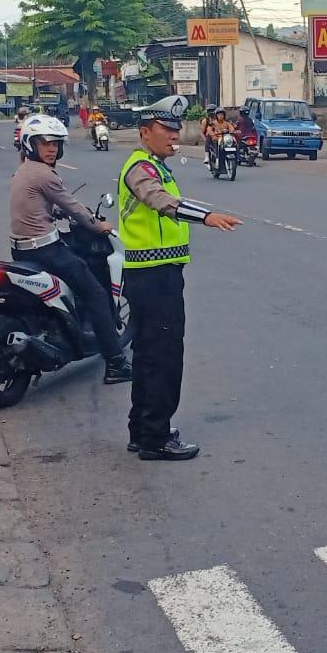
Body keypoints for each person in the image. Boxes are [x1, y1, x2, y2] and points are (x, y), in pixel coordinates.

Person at [119, 103, 241, 460]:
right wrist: (207, 217)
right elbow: (161, 202)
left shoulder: (155, 166)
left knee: (147, 355)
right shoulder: (140, 168)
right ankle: (156, 438)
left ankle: (142, 431)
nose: (175, 135)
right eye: (165, 129)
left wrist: (205, 211)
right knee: (163, 356)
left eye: (176, 129)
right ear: (145, 132)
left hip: (155, 274)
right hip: (154, 278)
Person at [10, 114, 133, 385]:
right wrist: (97, 225)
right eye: (45, 143)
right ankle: (115, 364)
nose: (52, 148)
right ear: (31, 145)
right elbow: (73, 207)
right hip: (46, 250)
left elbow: (38, 205)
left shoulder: (23, 171)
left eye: (55, 143)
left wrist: (51, 212)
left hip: (20, 250)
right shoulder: (44, 174)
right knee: (97, 294)